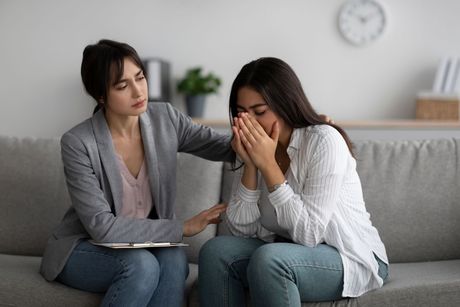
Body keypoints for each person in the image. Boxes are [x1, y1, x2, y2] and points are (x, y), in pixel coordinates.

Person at [39, 39, 232, 307]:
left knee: (175, 259)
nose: (138, 90)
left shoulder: (165, 118)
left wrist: (263, 137)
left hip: (146, 244)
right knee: (141, 266)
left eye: (140, 77)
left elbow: (221, 146)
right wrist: (183, 227)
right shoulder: (78, 142)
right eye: (122, 85)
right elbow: (102, 228)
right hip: (85, 247)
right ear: (101, 96)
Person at [198, 57, 389, 307]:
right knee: (216, 252)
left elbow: (309, 234)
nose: (249, 123)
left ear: (285, 104)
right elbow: (241, 231)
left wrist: (268, 165)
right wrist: (252, 166)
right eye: (242, 113)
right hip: (287, 251)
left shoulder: (323, 141)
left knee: (270, 259)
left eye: (259, 112)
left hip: (349, 255)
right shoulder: (253, 147)